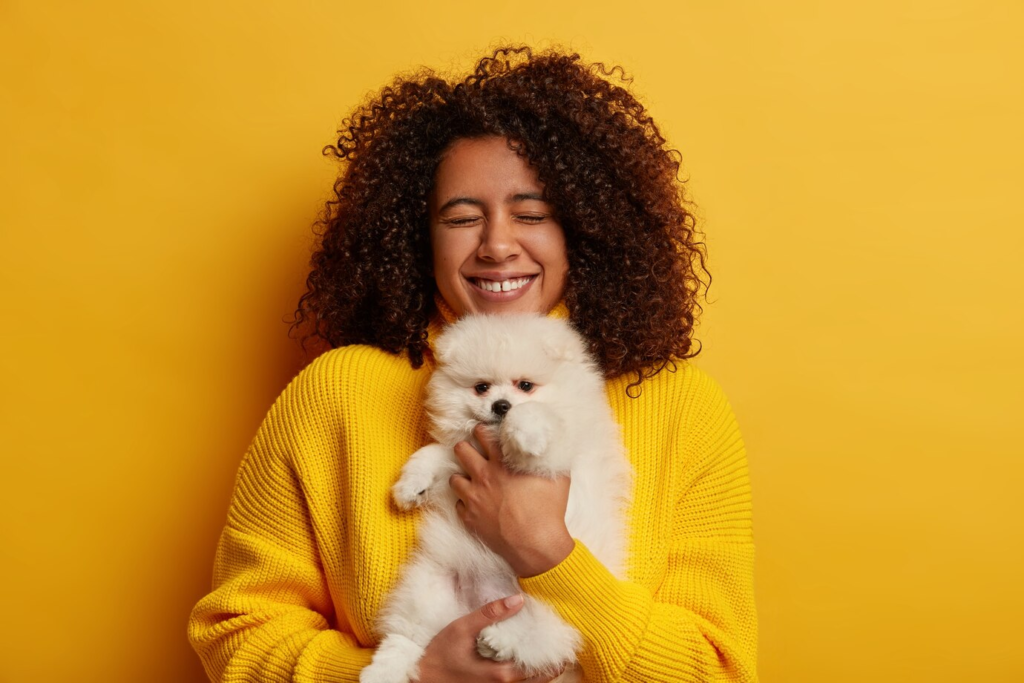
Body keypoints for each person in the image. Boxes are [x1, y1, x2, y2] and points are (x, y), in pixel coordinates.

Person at [187, 44, 759, 682]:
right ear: (417, 237)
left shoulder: (680, 404)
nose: (498, 245)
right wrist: (418, 676)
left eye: (532, 214)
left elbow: (719, 672)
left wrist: (548, 554)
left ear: (585, 231)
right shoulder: (336, 393)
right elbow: (237, 633)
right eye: (462, 218)